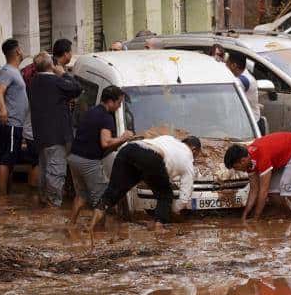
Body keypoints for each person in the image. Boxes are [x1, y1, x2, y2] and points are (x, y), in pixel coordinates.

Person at [89, 135, 202, 230]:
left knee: (113, 192)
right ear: (194, 150)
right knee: (165, 195)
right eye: (197, 154)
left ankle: (91, 228)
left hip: (129, 149)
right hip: (151, 157)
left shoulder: (170, 139)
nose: (195, 157)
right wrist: (174, 210)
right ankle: (159, 231)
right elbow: (185, 195)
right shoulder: (188, 159)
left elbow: (157, 170)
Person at [68, 86, 134, 224]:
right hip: (88, 162)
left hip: (74, 158)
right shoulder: (106, 117)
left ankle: (71, 224)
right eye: (119, 103)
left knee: (81, 195)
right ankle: (97, 232)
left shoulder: (91, 111)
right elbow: (105, 142)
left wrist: (117, 144)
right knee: (103, 199)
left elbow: (96, 141)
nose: (119, 106)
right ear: (110, 101)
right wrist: (123, 137)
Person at [28, 51, 81, 207]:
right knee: (56, 170)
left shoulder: (34, 81)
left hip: (40, 134)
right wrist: (63, 74)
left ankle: (44, 200)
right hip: (56, 135)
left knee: (45, 168)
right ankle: (53, 204)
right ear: (51, 64)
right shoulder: (55, 81)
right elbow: (76, 88)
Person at [224, 132, 291, 220]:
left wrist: (255, 218)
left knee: (288, 188)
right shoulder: (248, 160)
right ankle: (290, 216)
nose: (237, 170)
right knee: (272, 192)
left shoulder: (261, 156)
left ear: (242, 161)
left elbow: (263, 191)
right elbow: (254, 190)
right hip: (286, 155)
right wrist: (244, 216)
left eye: (236, 167)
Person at [0, 38, 33, 196]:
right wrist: (3, 110)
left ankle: (6, 194)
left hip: (15, 124)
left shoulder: (14, 71)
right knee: (7, 159)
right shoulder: (7, 71)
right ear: (17, 51)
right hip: (11, 123)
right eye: (21, 48)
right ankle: (2, 199)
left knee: (9, 160)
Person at [226, 52, 261, 119]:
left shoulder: (242, 81)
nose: (225, 66)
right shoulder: (245, 73)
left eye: (227, 63)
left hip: (249, 122)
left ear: (234, 65)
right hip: (248, 118)